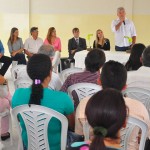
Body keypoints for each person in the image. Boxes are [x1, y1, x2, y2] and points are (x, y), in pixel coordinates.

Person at [75, 60, 150, 150]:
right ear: (125, 86)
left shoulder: (85, 103)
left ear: (99, 81)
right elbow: (146, 136)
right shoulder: (139, 107)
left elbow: (79, 134)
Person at [12, 54, 75, 150]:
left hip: (28, 146)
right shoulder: (63, 98)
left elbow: (20, 119)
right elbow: (72, 126)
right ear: (50, 73)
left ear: (29, 73)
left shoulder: (17, 95)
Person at [0, 75, 11, 141]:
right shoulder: (1, 79)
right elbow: (7, 96)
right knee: (6, 104)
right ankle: (4, 133)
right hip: (1, 106)